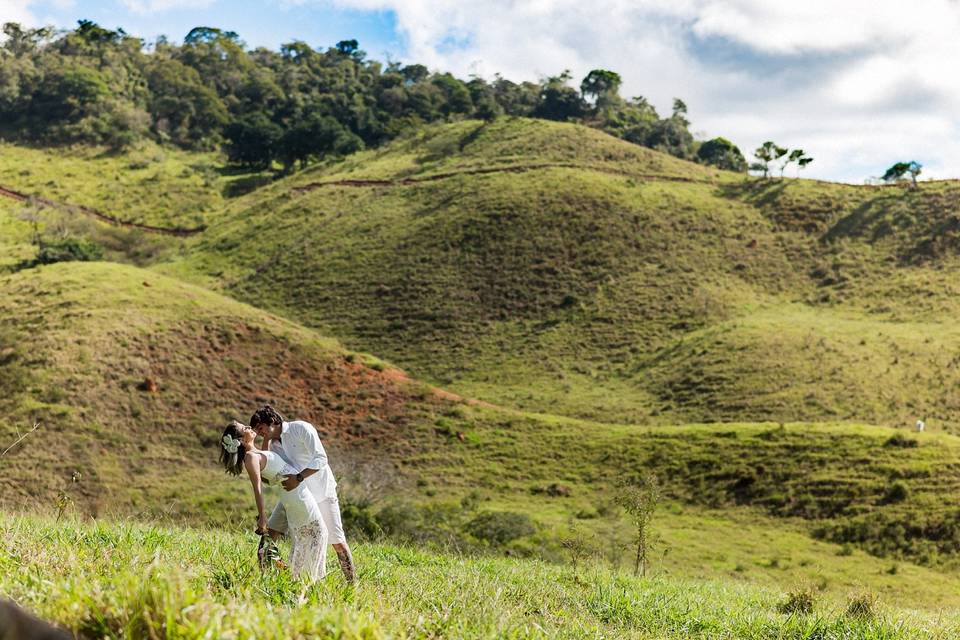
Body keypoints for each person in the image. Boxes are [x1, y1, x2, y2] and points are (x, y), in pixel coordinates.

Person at [250, 405, 356, 583]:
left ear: (273, 422)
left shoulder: (301, 428)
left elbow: (321, 458)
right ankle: (270, 578)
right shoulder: (272, 445)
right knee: (269, 537)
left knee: (337, 542)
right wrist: (266, 441)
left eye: (261, 428)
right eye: (256, 430)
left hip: (322, 493)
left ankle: (352, 586)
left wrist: (299, 477)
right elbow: (267, 476)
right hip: (294, 497)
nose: (259, 433)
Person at [219, 421, 328, 581]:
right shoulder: (250, 458)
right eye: (245, 429)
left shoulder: (256, 453)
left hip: (297, 496)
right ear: (241, 440)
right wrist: (262, 517)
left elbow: (268, 460)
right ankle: (305, 580)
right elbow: (258, 488)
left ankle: (300, 579)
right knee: (317, 535)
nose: (250, 428)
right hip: (297, 498)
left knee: (311, 538)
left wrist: (267, 437)